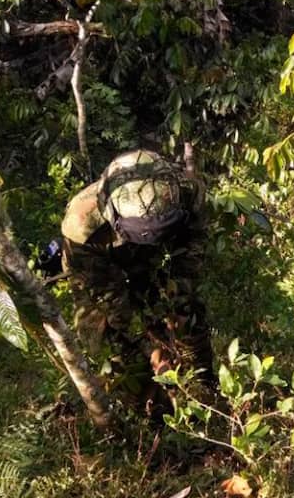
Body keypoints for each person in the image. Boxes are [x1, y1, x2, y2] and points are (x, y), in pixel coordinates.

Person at [61, 149, 212, 408]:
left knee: (189, 312)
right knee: (110, 340)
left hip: (152, 258)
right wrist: (150, 349)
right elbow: (112, 304)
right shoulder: (82, 226)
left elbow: (190, 256)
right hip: (102, 267)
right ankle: (150, 418)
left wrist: (180, 306)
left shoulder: (189, 192)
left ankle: (207, 392)